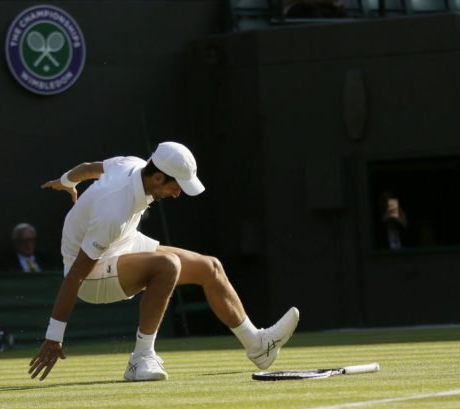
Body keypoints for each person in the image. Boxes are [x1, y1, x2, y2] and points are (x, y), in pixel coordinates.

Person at [28, 141, 300, 382]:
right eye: (176, 186)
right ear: (157, 177)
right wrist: (54, 337)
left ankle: (258, 346)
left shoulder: (133, 165)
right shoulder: (113, 211)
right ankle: (141, 358)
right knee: (168, 265)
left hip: (122, 242)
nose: (177, 194)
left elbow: (88, 168)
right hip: (91, 276)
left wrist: (66, 181)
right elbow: (75, 276)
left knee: (211, 267)